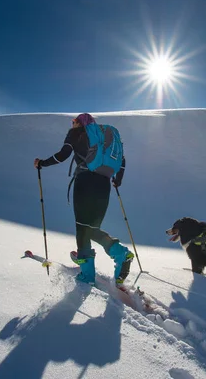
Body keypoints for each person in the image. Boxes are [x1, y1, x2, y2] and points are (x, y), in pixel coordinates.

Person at [34, 113, 134, 285]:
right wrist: (118, 180)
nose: (72, 124)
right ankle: (120, 254)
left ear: (79, 122)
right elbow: (122, 160)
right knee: (92, 227)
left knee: (82, 227)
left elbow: (63, 155)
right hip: (104, 184)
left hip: (85, 181)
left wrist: (42, 163)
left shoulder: (76, 133)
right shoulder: (103, 138)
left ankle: (87, 275)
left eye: (73, 121)